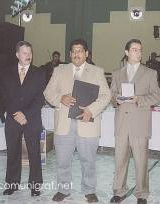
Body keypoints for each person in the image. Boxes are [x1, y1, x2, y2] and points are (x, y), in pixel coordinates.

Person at [44, 39, 111, 203]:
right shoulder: (59, 70)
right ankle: (63, 189)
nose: (77, 54)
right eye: (73, 51)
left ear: (86, 54)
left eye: (80, 50)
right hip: (64, 124)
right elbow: (47, 92)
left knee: (89, 161)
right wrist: (61, 98)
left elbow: (106, 95)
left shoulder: (97, 71)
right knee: (62, 160)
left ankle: (89, 190)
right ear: (70, 54)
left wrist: (91, 110)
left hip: (87, 122)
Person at [110, 39, 160, 204]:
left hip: (140, 124)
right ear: (126, 52)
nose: (138, 53)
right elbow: (111, 96)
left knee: (141, 162)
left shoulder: (150, 73)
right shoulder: (117, 73)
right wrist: (116, 99)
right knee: (120, 160)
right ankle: (119, 191)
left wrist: (139, 99)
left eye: (140, 50)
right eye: (134, 50)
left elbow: (157, 98)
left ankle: (141, 194)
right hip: (122, 124)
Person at [2, 41, 45, 196]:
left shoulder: (39, 72)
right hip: (13, 118)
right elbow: (4, 97)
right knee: (13, 151)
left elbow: (40, 99)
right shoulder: (7, 72)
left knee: (34, 153)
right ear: (17, 55)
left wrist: (25, 114)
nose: (28, 56)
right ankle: (12, 184)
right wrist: (16, 113)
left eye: (30, 52)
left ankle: (35, 185)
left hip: (31, 118)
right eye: (25, 53)